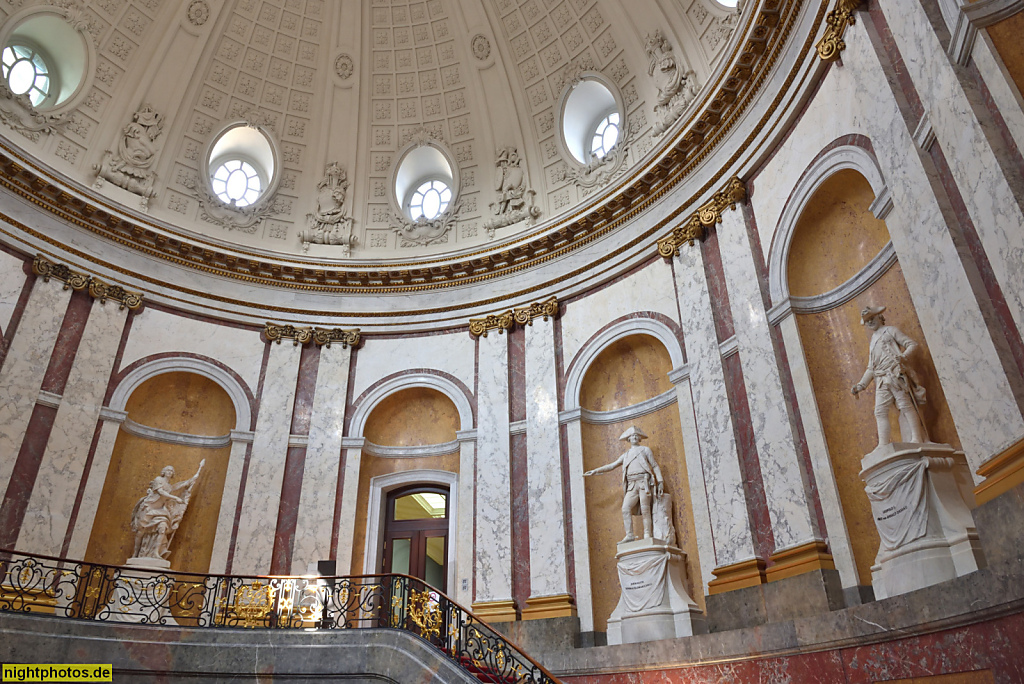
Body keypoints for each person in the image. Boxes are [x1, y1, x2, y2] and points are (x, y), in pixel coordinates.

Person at [851, 305, 927, 447]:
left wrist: (903, 357)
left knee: (905, 405)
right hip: (881, 379)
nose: (870, 322)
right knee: (879, 411)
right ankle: (883, 445)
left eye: (871, 318)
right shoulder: (873, 340)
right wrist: (861, 385)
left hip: (895, 375)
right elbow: (871, 367)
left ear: (879, 317)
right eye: (867, 321)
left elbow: (912, 344)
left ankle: (917, 438)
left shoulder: (891, 331)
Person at [584, 426, 665, 543]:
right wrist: (595, 471)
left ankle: (648, 534)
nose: (634, 437)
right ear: (628, 439)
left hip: (644, 483)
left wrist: (660, 481)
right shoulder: (626, 455)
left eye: (636, 435)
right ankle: (630, 534)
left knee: (645, 509)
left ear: (640, 438)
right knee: (625, 508)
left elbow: (655, 466)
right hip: (632, 485)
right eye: (632, 436)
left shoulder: (645, 450)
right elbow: (612, 465)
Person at [130, 460, 204, 561]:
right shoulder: (158, 479)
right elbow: (160, 492)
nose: (170, 472)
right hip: (149, 507)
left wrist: (195, 477)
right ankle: (136, 553)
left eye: (171, 471)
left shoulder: (169, 486)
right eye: (168, 470)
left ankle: (156, 553)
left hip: (161, 510)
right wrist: (175, 498)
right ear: (163, 472)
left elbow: (180, 486)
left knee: (162, 528)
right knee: (140, 532)